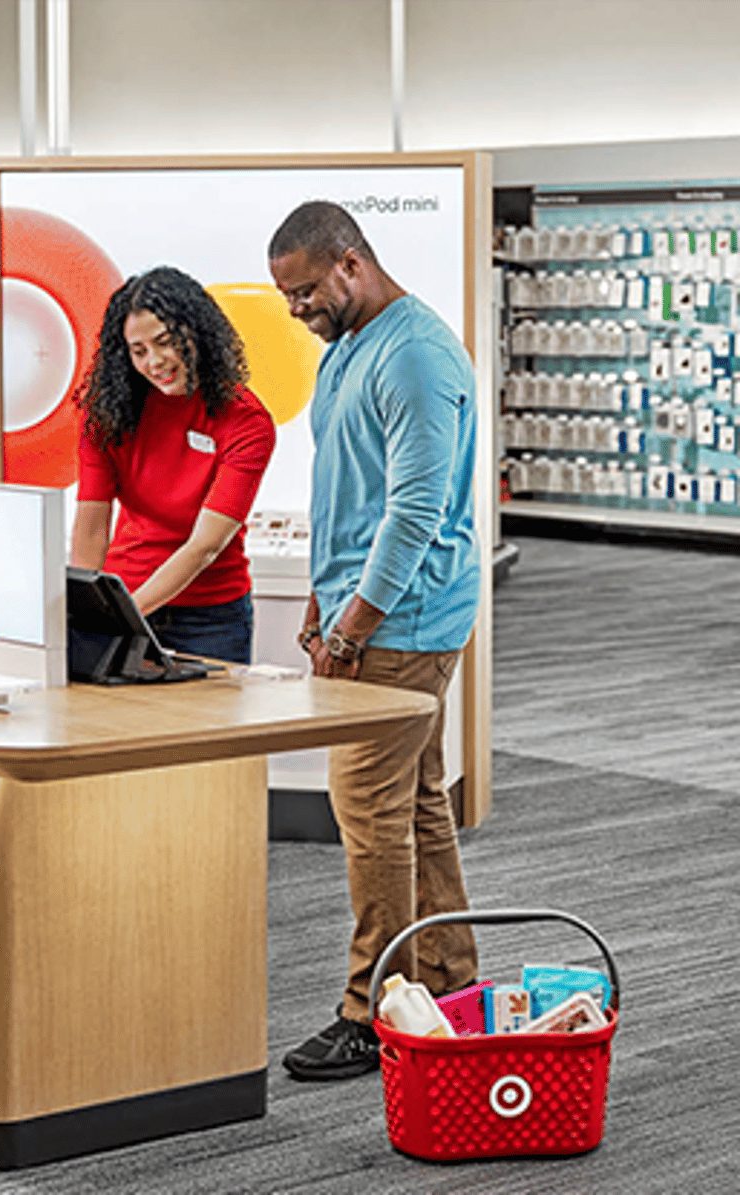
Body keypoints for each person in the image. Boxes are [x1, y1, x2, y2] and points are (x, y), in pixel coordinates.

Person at [267, 201, 482, 1080]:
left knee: (368, 812)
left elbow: (415, 510)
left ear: (352, 263)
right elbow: (346, 492)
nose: (295, 309)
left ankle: (373, 1008)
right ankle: (446, 984)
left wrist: (353, 626)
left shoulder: (418, 355)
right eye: (286, 296)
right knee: (417, 803)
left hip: (405, 622)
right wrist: (324, 605)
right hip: (367, 616)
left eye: (307, 290)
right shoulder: (349, 349)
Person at [70, 265, 276, 664]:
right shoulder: (105, 414)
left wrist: (125, 614)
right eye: (139, 351)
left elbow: (205, 546)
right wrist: (87, 606)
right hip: (123, 591)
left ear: (196, 332)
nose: (155, 361)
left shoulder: (247, 421)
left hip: (211, 617)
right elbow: (92, 526)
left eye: (166, 342)